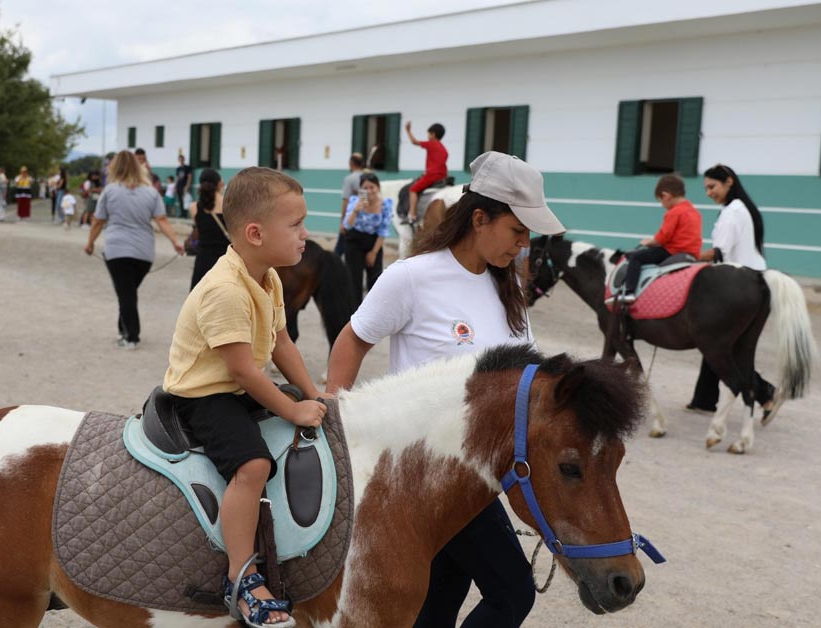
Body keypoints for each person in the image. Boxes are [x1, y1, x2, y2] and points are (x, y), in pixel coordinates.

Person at [326, 152, 563, 628]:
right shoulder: (413, 277)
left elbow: (528, 372)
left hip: (478, 481)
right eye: (517, 231)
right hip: (423, 473)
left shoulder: (507, 290)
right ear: (480, 218)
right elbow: (353, 339)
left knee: (440, 599)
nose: (523, 245)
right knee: (513, 591)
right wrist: (336, 414)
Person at [164, 166, 327, 628]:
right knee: (253, 464)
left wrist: (314, 393)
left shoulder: (268, 277)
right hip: (205, 395)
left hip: (237, 385)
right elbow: (242, 369)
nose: (305, 234)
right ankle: (241, 576)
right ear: (255, 233)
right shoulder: (225, 290)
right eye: (295, 225)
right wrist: (293, 406)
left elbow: (282, 343)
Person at [687, 164, 778, 416]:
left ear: (728, 182)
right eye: (706, 188)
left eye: (712, 186)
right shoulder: (745, 208)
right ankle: (704, 398)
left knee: (723, 346)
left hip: (737, 286)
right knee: (718, 342)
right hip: (756, 281)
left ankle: (764, 392)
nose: (708, 192)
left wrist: (687, 256)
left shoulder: (732, 211)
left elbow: (718, 253)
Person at [84, 151, 184, 349]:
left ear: (113, 168)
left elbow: (98, 221)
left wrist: (90, 243)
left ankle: (131, 337)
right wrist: (175, 241)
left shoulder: (109, 191)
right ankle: (124, 329)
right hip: (144, 253)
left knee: (126, 292)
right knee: (127, 291)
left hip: (116, 249)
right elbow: (161, 220)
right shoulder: (151, 193)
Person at [614, 174, 702, 304]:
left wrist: (649, 241)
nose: (662, 205)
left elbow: (662, 238)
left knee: (635, 257)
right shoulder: (695, 212)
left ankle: (629, 293)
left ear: (666, 196)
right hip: (692, 253)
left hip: (673, 251)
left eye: (661, 201)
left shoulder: (673, 212)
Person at [341, 172, 392, 303]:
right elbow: (347, 224)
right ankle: (354, 312)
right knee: (354, 281)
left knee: (375, 281)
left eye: (372, 187)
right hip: (354, 241)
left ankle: (372, 312)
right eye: (365, 188)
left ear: (378, 188)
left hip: (374, 242)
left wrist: (374, 253)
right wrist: (356, 210)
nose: (369, 191)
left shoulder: (385, 204)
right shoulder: (354, 201)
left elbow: (383, 231)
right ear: (360, 190)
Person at [188, 168, 227, 290]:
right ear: (220, 183)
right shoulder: (229, 205)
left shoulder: (194, 207)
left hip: (203, 261)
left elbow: (198, 231)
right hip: (225, 262)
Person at [405, 121, 448, 224]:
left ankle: (412, 216)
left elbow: (414, 142)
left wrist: (408, 130)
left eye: (428, 134)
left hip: (432, 175)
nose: (427, 136)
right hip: (443, 176)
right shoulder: (443, 148)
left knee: (413, 190)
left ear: (433, 134)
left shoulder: (431, 144)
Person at [335, 152, 365, 257]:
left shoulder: (350, 179)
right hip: (366, 219)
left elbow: (346, 201)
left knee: (339, 250)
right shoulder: (368, 177)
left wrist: (343, 221)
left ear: (351, 163)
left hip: (351, 217)